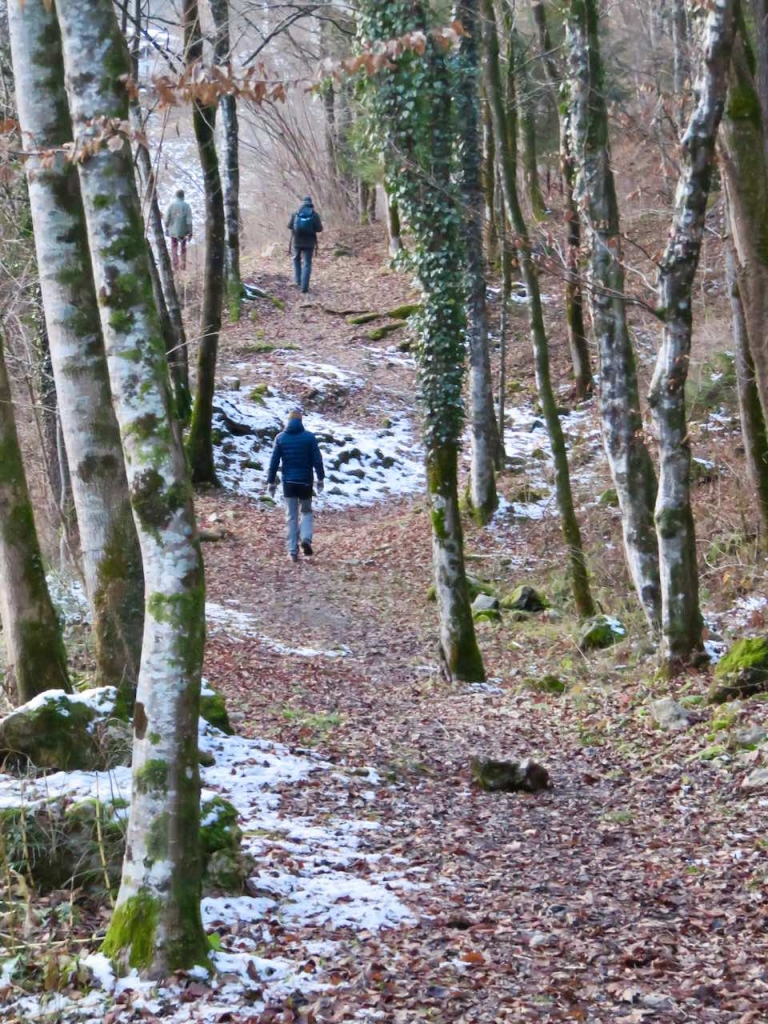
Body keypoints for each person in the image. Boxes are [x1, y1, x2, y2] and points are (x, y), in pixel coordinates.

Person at [267, 410, 325, 562]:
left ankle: (293, 552)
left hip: (289, 484)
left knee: (291, 517)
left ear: (288, 421)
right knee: (306, 511)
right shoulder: (309, 437)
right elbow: (317, 460)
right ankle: (306, 538)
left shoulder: (280, 438)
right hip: (305, 482)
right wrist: (320, 479)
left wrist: (271, 482)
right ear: (301, 421)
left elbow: (274, 462)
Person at [288, 196, 323, 293]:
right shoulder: (315, 214)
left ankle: (297, 281)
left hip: (297, 242)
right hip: (309, 243)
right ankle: (304, 287)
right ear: (311, 203)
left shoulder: (295, 213)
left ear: (302, 203)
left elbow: (289, 226)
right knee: (307, 263)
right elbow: (319, 229)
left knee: (296, 259)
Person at [164, 189, 193, 271]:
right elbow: (189, 220)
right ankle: (183, 266)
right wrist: (190, 231)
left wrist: (166, 227)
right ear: (183, 196)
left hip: (173, 231)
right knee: (183, 247)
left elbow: (166, 219)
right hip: (184, 232)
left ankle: (175, 266)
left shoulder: (171, 205)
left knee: (174, 247)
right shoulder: (187, 206)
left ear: (175, 196)